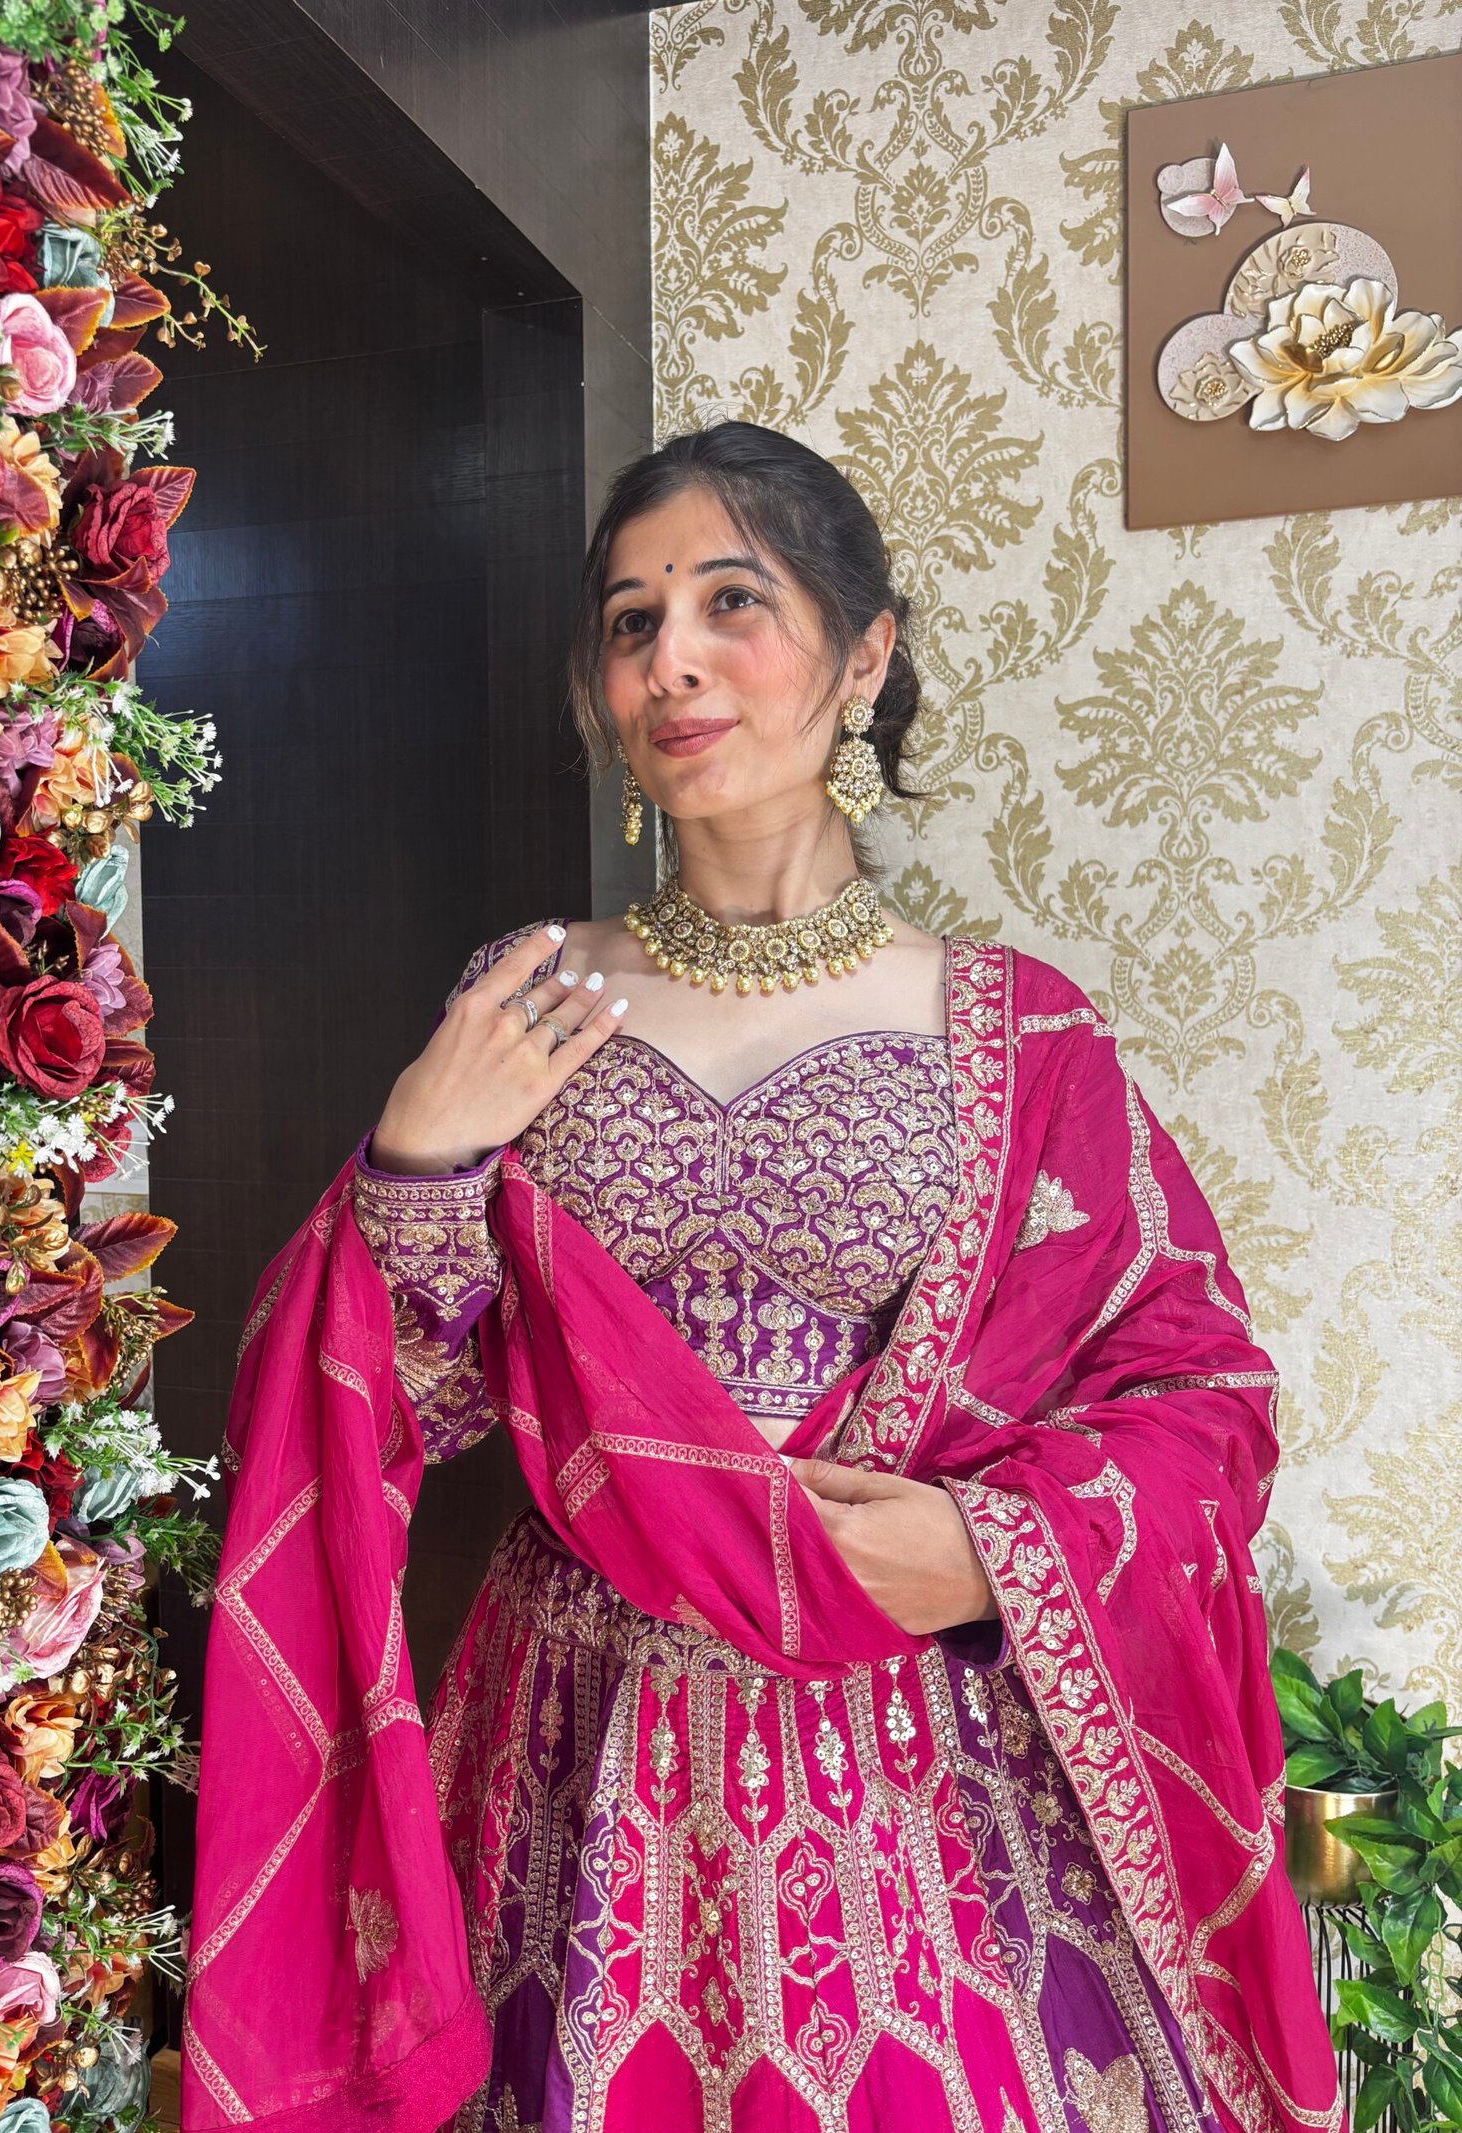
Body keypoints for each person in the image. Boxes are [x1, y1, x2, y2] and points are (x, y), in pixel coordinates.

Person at [183, 424, 1343, 2133]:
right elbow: (400, 1403)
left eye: (734, 601)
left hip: (923, 1761)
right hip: (581, 1747)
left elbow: (1198, 1388)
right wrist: (416, 1160)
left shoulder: (1016, 1031)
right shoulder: (528, 997)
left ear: (864, 654)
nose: (673, 660)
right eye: (632, 620)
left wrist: (990, 1547)